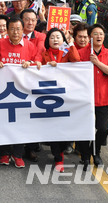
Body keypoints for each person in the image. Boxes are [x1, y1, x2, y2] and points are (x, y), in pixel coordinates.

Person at [0, 18, 42, 168]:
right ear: (7, 31)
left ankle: (18, 154)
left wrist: (31, 64)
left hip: (22, 92)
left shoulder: (30, 46)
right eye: (12, 29)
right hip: (2, 90)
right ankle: (4, 153)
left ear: (23, 30)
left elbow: (38, 62)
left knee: (21, 124)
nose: (15, 32)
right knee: (3, 123)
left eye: (18, 29)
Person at [78, 23, 108, 170]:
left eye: (101, 34)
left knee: (103, 128)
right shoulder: (81, 53)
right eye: (95, 34)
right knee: (84, 128)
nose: (99, 36)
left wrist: (97, 63)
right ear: (90, 37)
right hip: (84, 98)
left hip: (103, 98)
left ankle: (95, 152)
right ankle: (84, 156)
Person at [40, 28, 80, 172]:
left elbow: (76, 60)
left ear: (63, 39)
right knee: (54, 129)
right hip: (49, 97)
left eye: (58, 37)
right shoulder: (43, 54)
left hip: (66, 96)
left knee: (66, 127)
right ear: (47, 40)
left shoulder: (67, 52)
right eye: (52, 37)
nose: (55, 39)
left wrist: (71, 44)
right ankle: (58, 158)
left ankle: (63, 149)